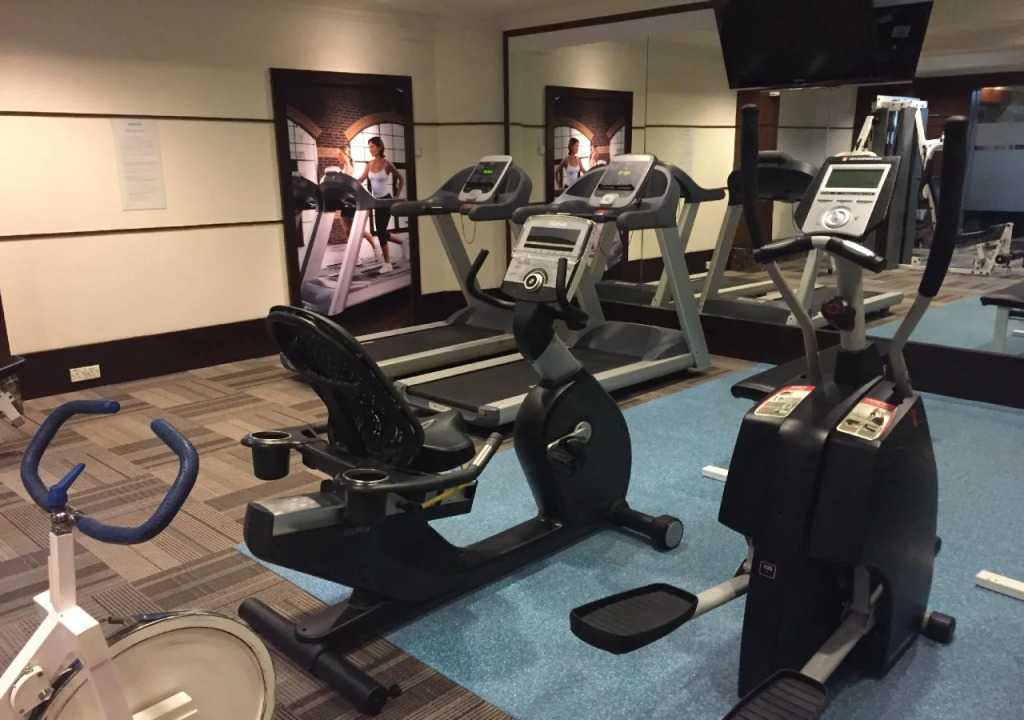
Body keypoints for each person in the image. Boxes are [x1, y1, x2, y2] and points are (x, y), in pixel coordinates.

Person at [357, 136, 404, 274]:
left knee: (381, 231)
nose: (370, 149)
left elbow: (401, 178)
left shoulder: (387, 164)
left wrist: (396, 196)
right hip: (376, 202)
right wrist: (350, 183)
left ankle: (387, 263)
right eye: (369, 147)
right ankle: (402, 242)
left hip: (385, 201)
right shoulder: (369, 165)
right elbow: (361, 179)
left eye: (372, 146)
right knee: (381, 231)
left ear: (379, 147)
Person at [336, 148, 383, 267]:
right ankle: (356, 257)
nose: (338, 157)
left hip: (352, 201)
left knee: (359, 230)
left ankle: (376, 248)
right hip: (344, 202)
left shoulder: (349, 169)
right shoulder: (342, 169)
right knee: (347, 231)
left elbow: (344, 186)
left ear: (346, 155)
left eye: (340, 154)